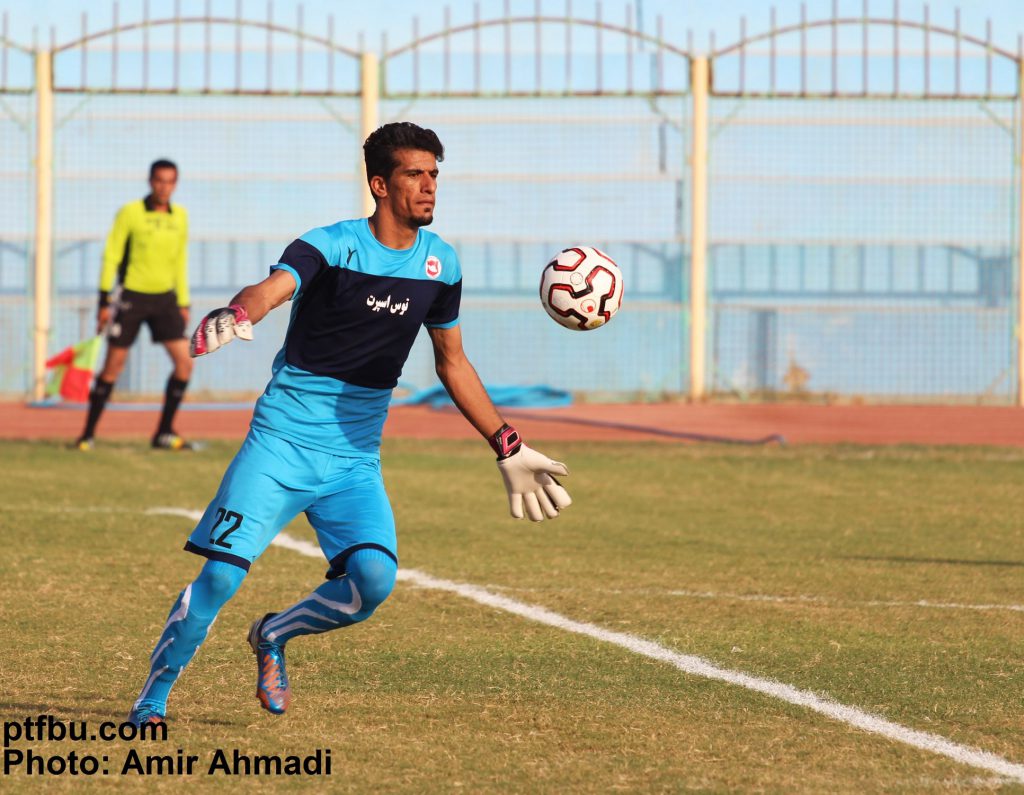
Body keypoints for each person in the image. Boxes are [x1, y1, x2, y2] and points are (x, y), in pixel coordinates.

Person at [127, 122, 572, 726]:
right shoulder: (331, 245)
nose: (429, 187)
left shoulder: (442, 265)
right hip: (279, 447)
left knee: (372, 582)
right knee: (218, 581)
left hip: (354, 461)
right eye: (415, 174)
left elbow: (452, 362)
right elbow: (274, 288)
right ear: (379, 184)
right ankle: (151, 702)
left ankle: (272, 635)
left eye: (435, 174)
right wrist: (237, 311)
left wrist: (507, 443)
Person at [75, 159, 194, 451]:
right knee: (112, 367)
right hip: (131, 298)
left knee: (185, 364)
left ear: (175, 184)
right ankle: (87, 435)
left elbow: (179, 261)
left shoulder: (180, 216)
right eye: (159, 180)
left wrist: (184, 301)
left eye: (170, 181)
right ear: (150, 181)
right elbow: (112, 255)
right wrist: (103, 300)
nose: (164, 187)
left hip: (165, 299)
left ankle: (164, 433)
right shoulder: (130, 213)